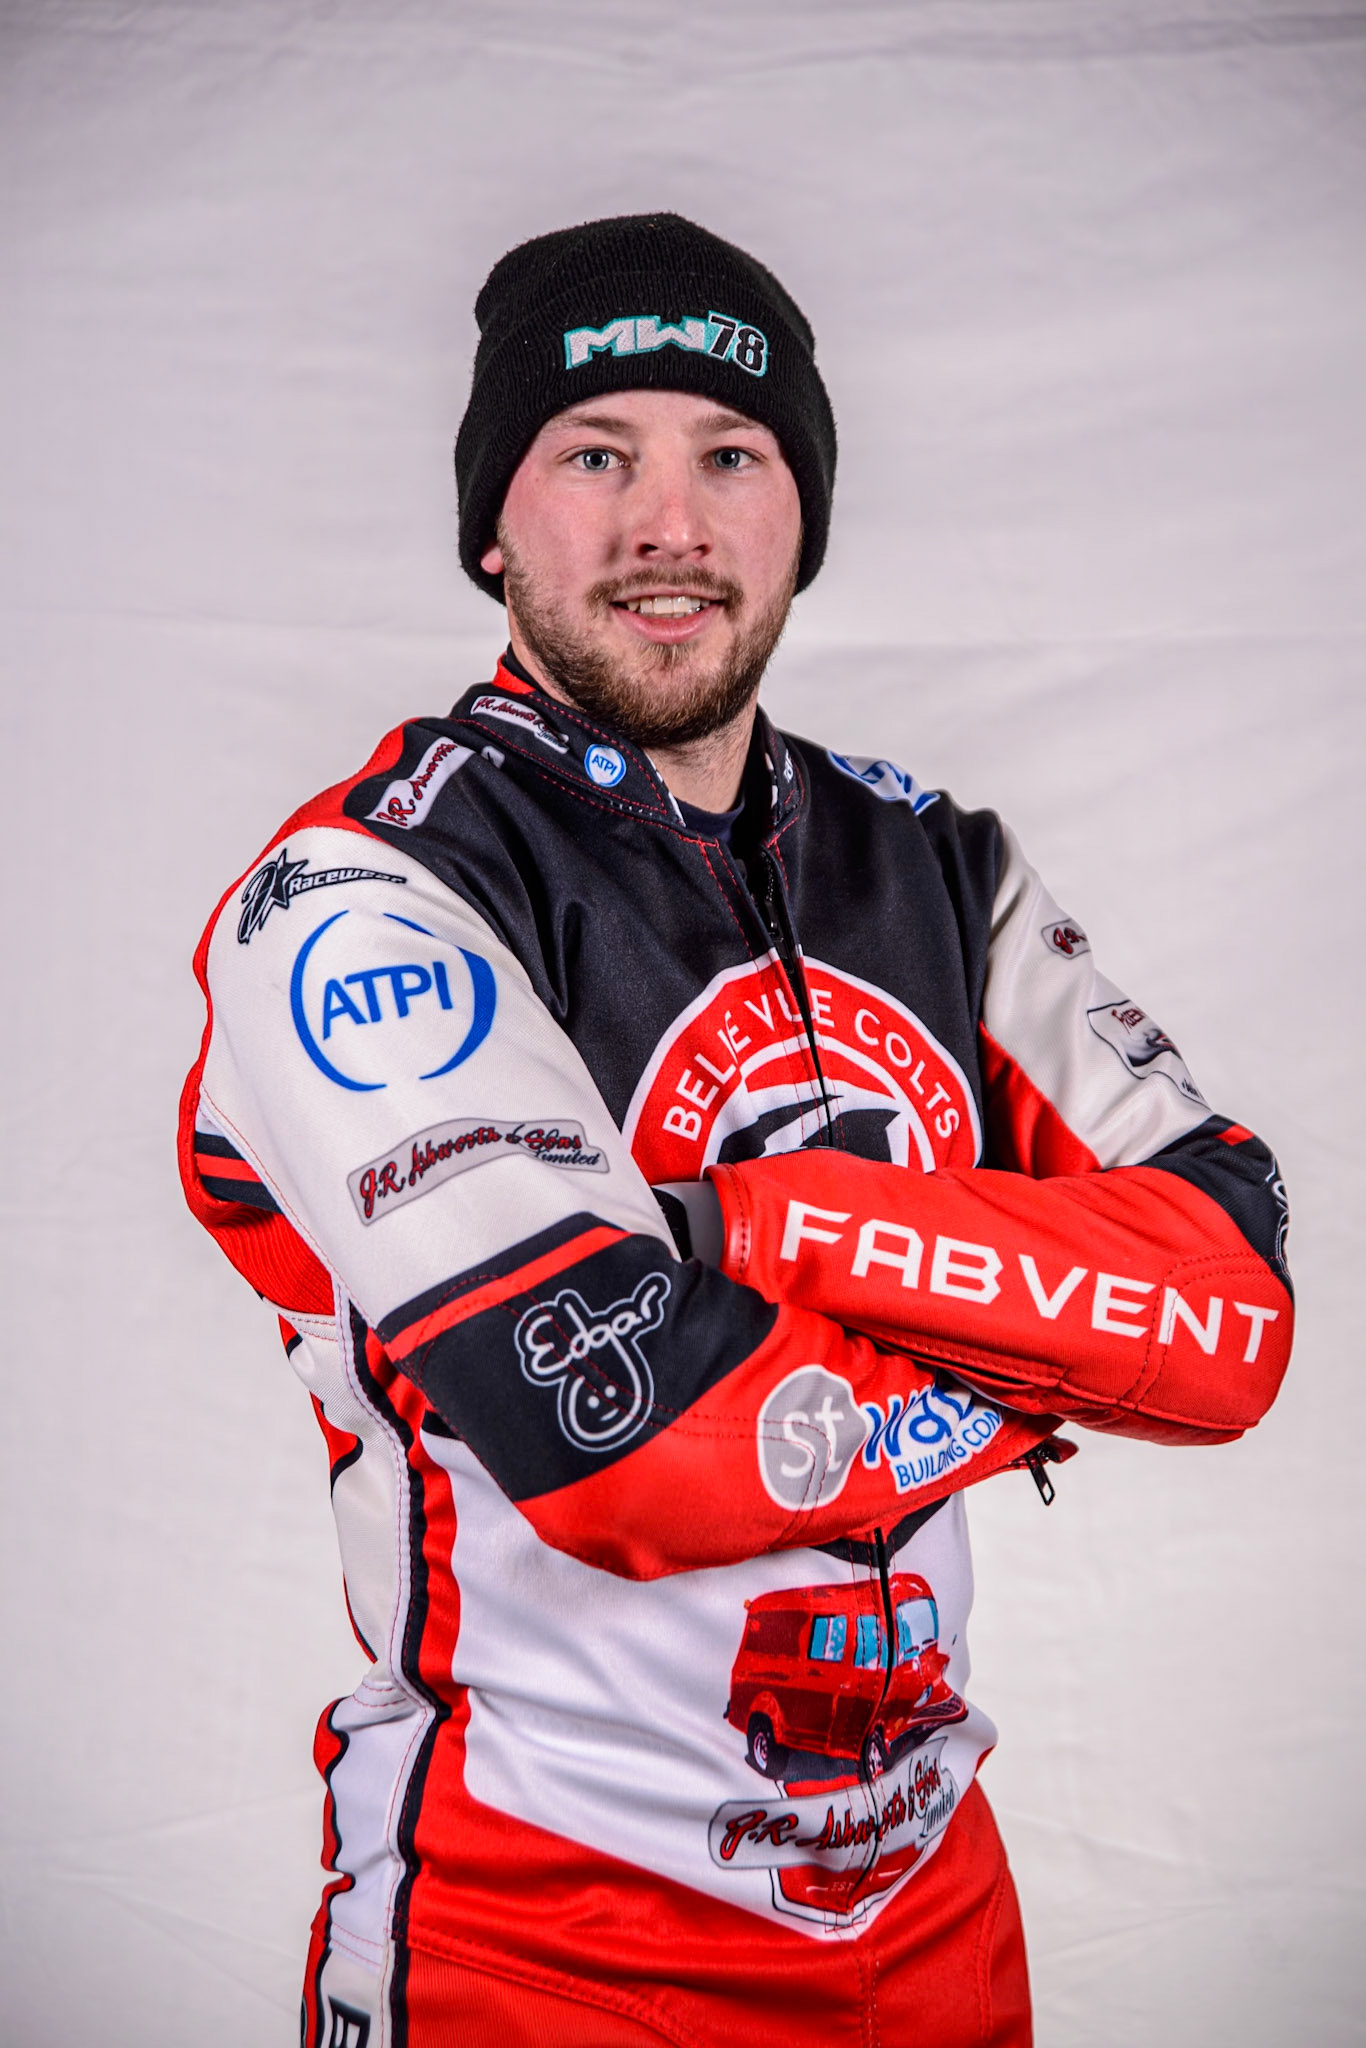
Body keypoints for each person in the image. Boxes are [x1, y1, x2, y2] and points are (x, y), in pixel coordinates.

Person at [178, 213, 1293, 2048]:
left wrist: (748, 1228)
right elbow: (627, 1435)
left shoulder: (934, 862)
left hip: (938, 1922)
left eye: (730, 455)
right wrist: (1048, 1355)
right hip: (539, 1946)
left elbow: (1231, 1308)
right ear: (492, 522)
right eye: (592, 454)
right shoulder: (361, 896)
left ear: (800, 516)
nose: (666, 525)